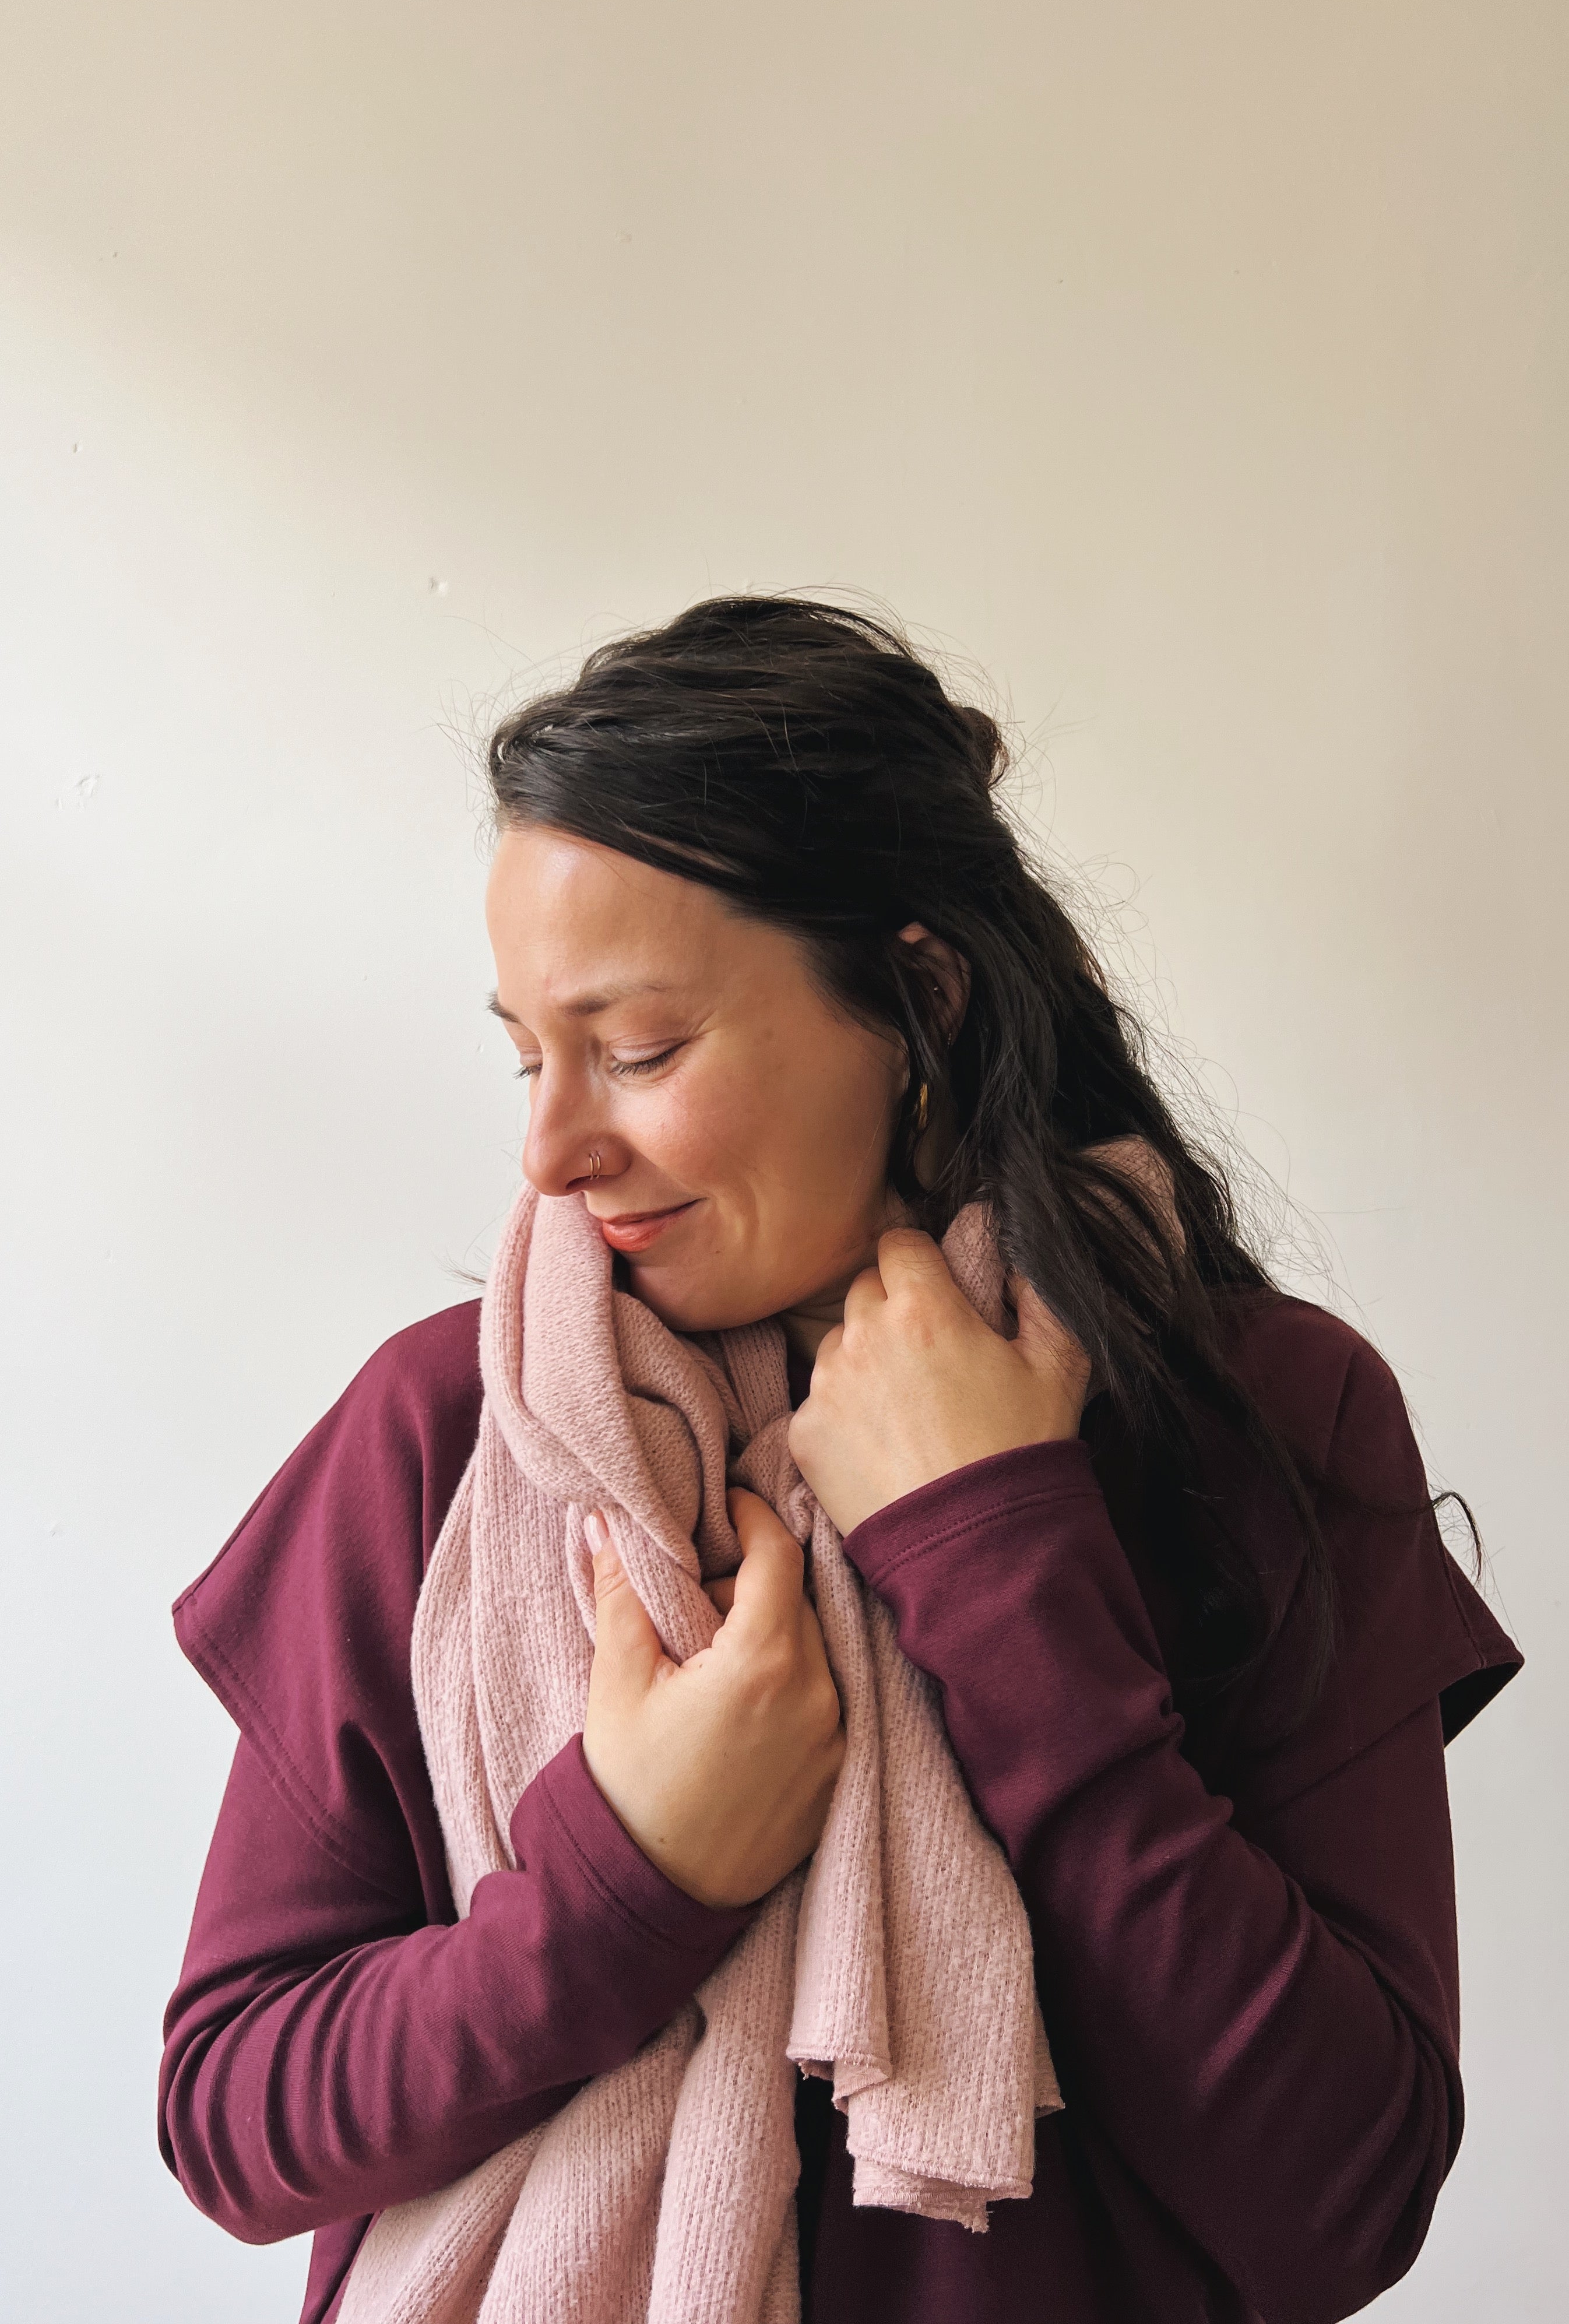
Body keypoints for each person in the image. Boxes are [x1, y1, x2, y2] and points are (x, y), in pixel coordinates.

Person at [160, 596, 1519, 2324]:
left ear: (919, 999)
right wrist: (631, 1880)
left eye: (638, 1051)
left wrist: (1000, 1557)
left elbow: (1345, 2200)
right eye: (526, 1056)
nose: (551, 1150)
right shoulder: (449, 1431)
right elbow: (236, 2122)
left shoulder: (1257, 1410)